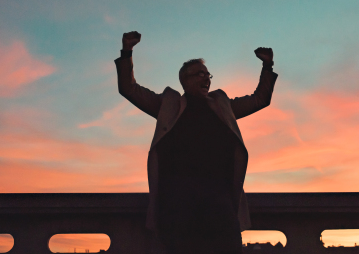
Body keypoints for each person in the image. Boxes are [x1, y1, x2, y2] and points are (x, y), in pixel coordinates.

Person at [115, 31, 278, 254]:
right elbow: (129, 89)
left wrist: (267, 67)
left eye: (208, 75)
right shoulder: (168, 105)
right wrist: (127, 52)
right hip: (178, 200)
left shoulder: (223, 105)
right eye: (199, 74)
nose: (206, 79)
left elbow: (260, 99)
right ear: (185, 80)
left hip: (219, 197)